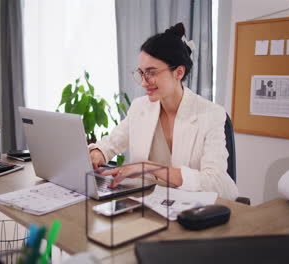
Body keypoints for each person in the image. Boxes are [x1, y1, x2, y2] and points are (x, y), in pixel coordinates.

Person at [89, 23, 239, 200]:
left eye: (151, 73)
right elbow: (112, 143)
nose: (144, 82)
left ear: (178, 72)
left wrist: (149, 167)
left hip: (198, 209)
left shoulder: (211, 114)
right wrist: (98, 152)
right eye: (141, 73)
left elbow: (215, 182)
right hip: (153, 204)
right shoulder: (140, 108)